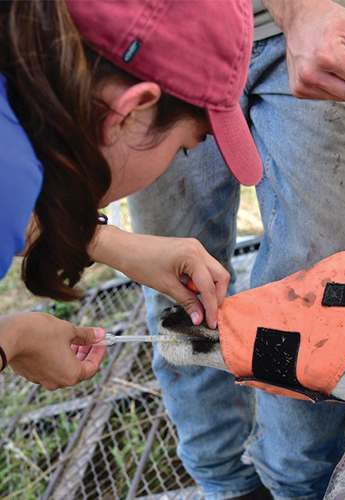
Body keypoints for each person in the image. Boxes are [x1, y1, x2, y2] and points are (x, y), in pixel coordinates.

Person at [126, 1, 345, 499]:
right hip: (164, 28)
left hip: (329, 21)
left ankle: (301, 483)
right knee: (180, 294)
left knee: (318, 300)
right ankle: (226, 483)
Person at [0, 0, 263, 389]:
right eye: (184, 147)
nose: (180, 155)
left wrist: (106, 242)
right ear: (131, 112)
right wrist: (15, 338)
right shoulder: (11, 173)